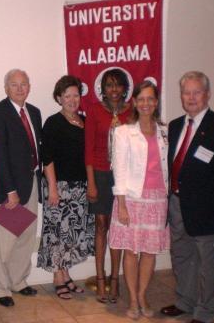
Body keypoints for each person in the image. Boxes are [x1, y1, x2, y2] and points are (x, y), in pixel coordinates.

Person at [160, 71, 214, 323]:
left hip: (209, 209)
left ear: (207, 94)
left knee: (210, 264)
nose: (191, 97)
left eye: (197, 92)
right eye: (187, 92)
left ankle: (207, 312)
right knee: (182, 256)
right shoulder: (175, 126)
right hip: (177, 204)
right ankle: (185, 301)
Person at [109, 81, 169, 319]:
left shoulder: (164, 131)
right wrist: (121, 205)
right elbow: (119, 170)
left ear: (156, 102)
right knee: (131, 252)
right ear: (134, 102)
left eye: (150, 99)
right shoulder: (124, 132)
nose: (145, 103)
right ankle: (133, 299)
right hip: (132, 199)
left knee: (149, 252)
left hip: (157, 199)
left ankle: (143, 294)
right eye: (141, 99)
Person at [0, 69, 42, 307]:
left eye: (24, 84)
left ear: (29, 86)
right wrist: (9, 190)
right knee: (4, 242)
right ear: (6, 88)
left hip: (31, 183)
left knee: (25, 238)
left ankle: (18, 281)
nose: (20, 89)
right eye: (14, 85)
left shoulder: (35, 112)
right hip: (10, 190)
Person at [37, 75, 94, 300]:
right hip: (59, 187)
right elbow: (47, 158)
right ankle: (57, 278)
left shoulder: (84, 121)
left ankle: (66, 274)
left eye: (75, 95)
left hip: (80, 188)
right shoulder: (53, 122)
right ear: (59, 98)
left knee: (72, 234)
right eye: (67, 95)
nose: (72, 99)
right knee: (58, 234)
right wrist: (52, 188)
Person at [84, 68, 131, 303]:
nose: (113, 90)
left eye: (118, 85)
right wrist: (91, 182)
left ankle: (115, 281)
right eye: (109, 85)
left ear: (124, 88)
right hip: (100, 175)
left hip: (123, 178)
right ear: (102, 88)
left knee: (118, 229)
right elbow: (89, 150)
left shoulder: (132, 111)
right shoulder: (94, 111)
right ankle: (101, 280)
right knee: (101, 226)